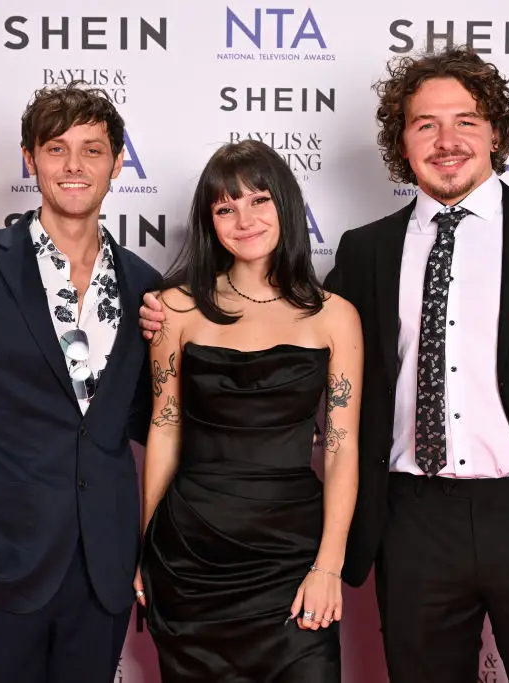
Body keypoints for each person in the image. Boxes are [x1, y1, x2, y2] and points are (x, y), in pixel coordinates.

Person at [139, 46, 509, 683]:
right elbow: (279, 323)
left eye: (465, 120)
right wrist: (167, 312)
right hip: (412, 522)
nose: (446, 140)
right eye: (425, 124)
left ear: (496, 131)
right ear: (401, 142)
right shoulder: (366, 251)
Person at [0, 81, 160, 683]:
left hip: (102, 570)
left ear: (118, 162)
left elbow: (148, 424)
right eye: (56, 149)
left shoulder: (147, 287)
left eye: (93, 150)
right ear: (30, 159)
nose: (74, 167)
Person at [133, 139, 363, 682]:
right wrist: (147, 546)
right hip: (191, 553)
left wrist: (329, 565)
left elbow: (342, 447)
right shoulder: (175, 308)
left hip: (291, 555)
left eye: (259, 200)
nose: (245, 219)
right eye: (225, 208)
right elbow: (164, 428)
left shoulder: (335, 317)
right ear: (209, 221)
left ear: (285, 204)